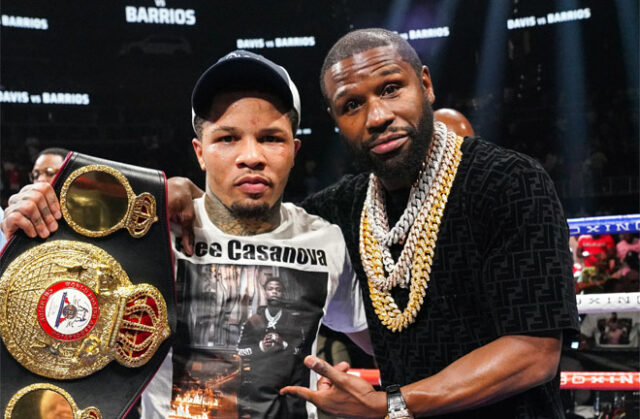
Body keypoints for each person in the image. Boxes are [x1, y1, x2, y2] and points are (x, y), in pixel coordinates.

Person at [167, 29, 579, 418]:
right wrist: (187, 196)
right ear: (335, 119)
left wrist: (392, 405)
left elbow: (535, 352)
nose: (377, 115)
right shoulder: (339, 211)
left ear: (426, 85)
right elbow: (255, 219)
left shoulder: (509, 181)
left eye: (390, 88)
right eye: (351, 104)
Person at [0, 50, 368, 419]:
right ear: (200, 152)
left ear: (293, 151)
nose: (251, 156)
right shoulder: (148, 233)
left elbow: (381, 338)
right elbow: (34, 321)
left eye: (271, 138)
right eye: (227, 139)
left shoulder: (326, 241)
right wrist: (27, 235)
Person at [237, 277, 308, 417]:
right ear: (265, 293)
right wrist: (261, 346)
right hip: (260, 381)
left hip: (288, 381)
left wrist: (283, 344)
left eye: (278, 289)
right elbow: (240, 350)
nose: (274, 292)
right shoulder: (253, 321)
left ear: (283, 293)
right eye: (270, 289)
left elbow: (303, 351)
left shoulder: (294, 322)